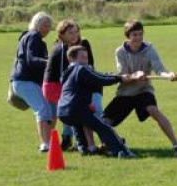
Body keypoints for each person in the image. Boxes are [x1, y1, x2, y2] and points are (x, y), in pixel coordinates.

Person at [102, 20, 177, 157]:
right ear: (128, 36)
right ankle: (114, 143)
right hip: (125, 92)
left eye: (140, 34)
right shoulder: (120, 52)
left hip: (143, 90)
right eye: (134, 35)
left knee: (153, 110)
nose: (138, 38)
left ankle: (176, 145)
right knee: (104, 122)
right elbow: (123, 74)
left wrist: (168, 75)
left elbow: (159, 68)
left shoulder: (149, 49)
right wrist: (136, 75)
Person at [58, 46, 143, 158]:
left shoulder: (66, 73)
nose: (86, 60)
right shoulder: (81, 69)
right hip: (77, 108)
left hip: (62, 111)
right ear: (71, 58)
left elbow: (99, 75)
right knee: (103, 128)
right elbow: (100, 79)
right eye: (82, 57)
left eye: (86, 57)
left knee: (78, 126)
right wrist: (119, 78)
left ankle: (85, 149)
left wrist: (119, 76)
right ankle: (122, 151)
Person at [43, 20, 103, 152]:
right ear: (62, 34)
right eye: (70, 32)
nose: (75, 35)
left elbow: (90, 65)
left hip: (87, 85)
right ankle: (67, 141)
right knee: (67, 112)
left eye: (76, 31)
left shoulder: (83, 44)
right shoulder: (61, 48)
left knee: (93, 111)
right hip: (59, 86)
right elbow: (63, 75)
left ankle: (97, 142)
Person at [10, 12, 55, 153]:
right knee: (42, 109)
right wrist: (50, 62)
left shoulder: (30, 37)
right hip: (25, 80)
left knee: (46, 109)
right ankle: (45, 144)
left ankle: (48, 142)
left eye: (49, 26)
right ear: (36, 25)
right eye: (44, 25)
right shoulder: (34, 36)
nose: (47, 29)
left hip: (22, 81)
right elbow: (31, 59)